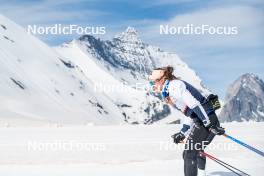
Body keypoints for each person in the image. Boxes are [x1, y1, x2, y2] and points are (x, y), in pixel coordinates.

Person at [149, 66, 225, 176]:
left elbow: (194, 104)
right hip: (202, 120)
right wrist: (183, 132)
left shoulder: (174, 85)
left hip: (206, 119)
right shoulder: (168, 90)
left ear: (162, 79)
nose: (153, 86)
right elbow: (190, 113)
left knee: (190, 154)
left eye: (153, 83)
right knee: (188, 153)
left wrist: (208, 123)